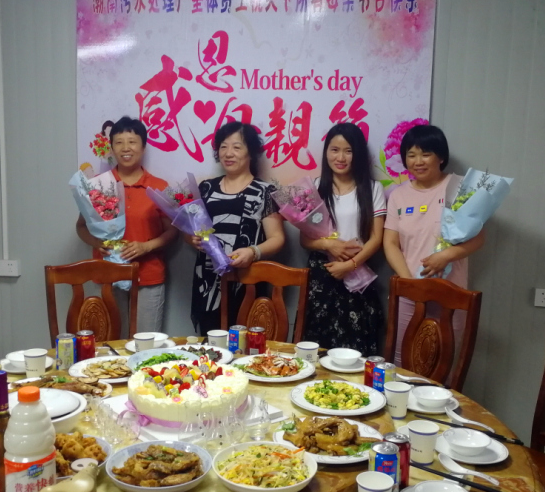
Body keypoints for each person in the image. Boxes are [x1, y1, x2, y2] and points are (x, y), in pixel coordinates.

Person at [382, 124, 485, 363]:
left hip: (451, 290)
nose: (418, 161)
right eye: (411, 155)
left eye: (426, 154)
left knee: (442, 360)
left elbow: (478, 238)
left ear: (441, 157)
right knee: (402, 358)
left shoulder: (460, 188)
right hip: (409, 290)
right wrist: (408, 282)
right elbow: (390, 243)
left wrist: (445, 256)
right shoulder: (398, 195)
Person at [76, 116, 178, 334]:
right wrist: (97, 242)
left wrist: (146, 246)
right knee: (113, 340)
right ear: (111, 148)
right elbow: (81, 227)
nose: (125, 148)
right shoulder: (99, 185)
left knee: (147, 342)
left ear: (143, 147)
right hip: (108, 274)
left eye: (132, 142)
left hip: (148, 275)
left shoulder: (159, 186)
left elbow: (172, 231)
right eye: (119, 142)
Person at [189, 121, 285, 335]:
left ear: (251, 152)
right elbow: (193, 230)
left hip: (248, 280)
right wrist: (192, 239)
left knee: (247, 344)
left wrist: (253, 252)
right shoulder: (206, 188)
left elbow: (277, 238)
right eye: (223, 147)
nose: (228, 153)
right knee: (211, 344)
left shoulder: (265, 191)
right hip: (209, 282)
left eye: (237, 147)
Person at [300, 123, 385, 355]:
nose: (340, 157)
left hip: (358, 273)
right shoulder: (314, 187)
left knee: (356, 349)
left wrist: (350, 265)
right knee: (318, 348)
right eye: (334, 150)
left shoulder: (372, 189)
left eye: (348, 151)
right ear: (326, 152)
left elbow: (376, 238)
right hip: (322, 275)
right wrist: (329, 244)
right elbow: (304, 240)